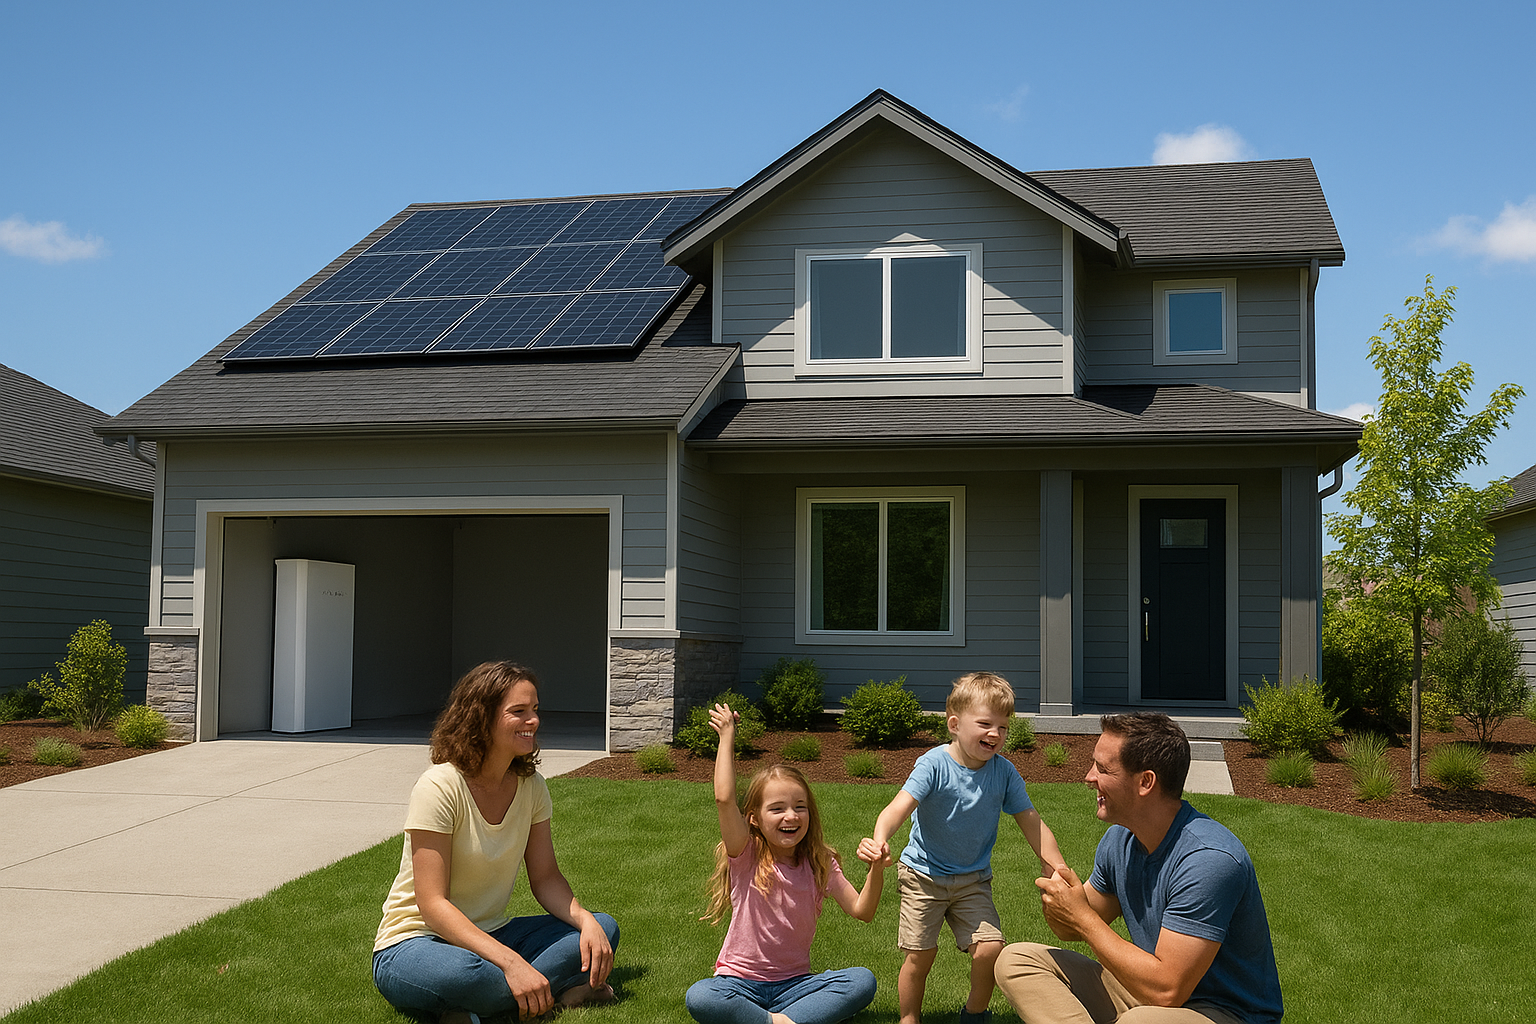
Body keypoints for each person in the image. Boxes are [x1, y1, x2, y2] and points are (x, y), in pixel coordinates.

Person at [994, 713, 1283, 1024]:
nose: (1089, 777)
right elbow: (1069, 927)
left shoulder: (1208, 859)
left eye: (1103, 769)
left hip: (1226, 1011)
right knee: (1016, 960)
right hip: (1145, 993)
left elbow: (1168, 992)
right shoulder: (1120, 840)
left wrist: (1082, 917)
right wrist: (1060, 890)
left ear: (1146, 782)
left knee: (1140, 1021)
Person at [372, 662, 619, 1024]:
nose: (532, 720)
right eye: (518, 712)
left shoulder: (532, 786)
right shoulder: (440, 786)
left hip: (494, 934)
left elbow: (546, 877)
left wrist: (584, 920)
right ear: (481, 718)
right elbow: (432, 904)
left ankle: (481, 1010)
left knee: (603, 929)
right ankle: (553, 995)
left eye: (534, 710)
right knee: (465, 975)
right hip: (416, 944)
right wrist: (511, 962)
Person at [858, 672, 1067, 1024]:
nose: (995, 734)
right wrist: (880, 839)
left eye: (1003, 727)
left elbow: (1031, 820)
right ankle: (908, 1018)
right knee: (920, 956)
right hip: (922, 876)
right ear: (954, 724)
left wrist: (1056, 866)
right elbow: (898, 807)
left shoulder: (1003, 772)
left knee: (990, 948)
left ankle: (974, 1013)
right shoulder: (934, 764)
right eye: (985, 724)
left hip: (972, 879)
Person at [686, 703, 890, 1024]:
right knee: (701, 996)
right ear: (753, 818)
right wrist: (727, 736)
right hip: (739, 984)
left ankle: (769, 1020)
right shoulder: (746, 853)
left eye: (799, 806)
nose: (791, 816)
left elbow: (862, 911)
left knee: (861, 980)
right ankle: (784, 1021)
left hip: (796, 985)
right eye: (777, 808)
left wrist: (876, 870)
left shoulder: (819, 862)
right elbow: (725, 799)